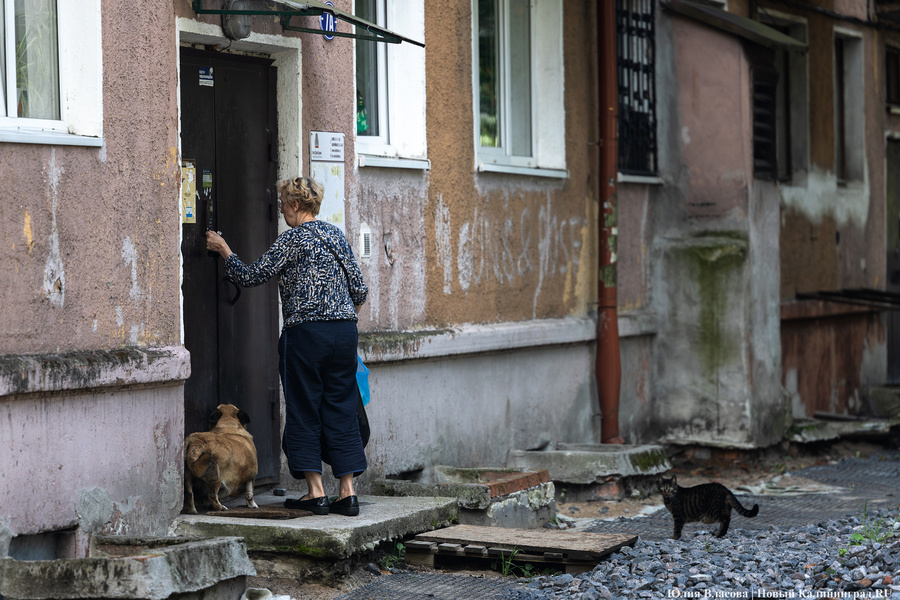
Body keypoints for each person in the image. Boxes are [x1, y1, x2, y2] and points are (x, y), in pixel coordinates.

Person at [205, 176, 368, 517]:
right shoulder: (335, 235)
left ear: (296, 205)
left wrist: (225, 251)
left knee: (304, 409)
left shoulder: (291, 240)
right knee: (342, 408)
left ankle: (316, 492)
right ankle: (348, 493)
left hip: (307, 336)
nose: (280, 209)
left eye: (282, 204)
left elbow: (251, 276)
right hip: (344, 334)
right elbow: (360, 292)